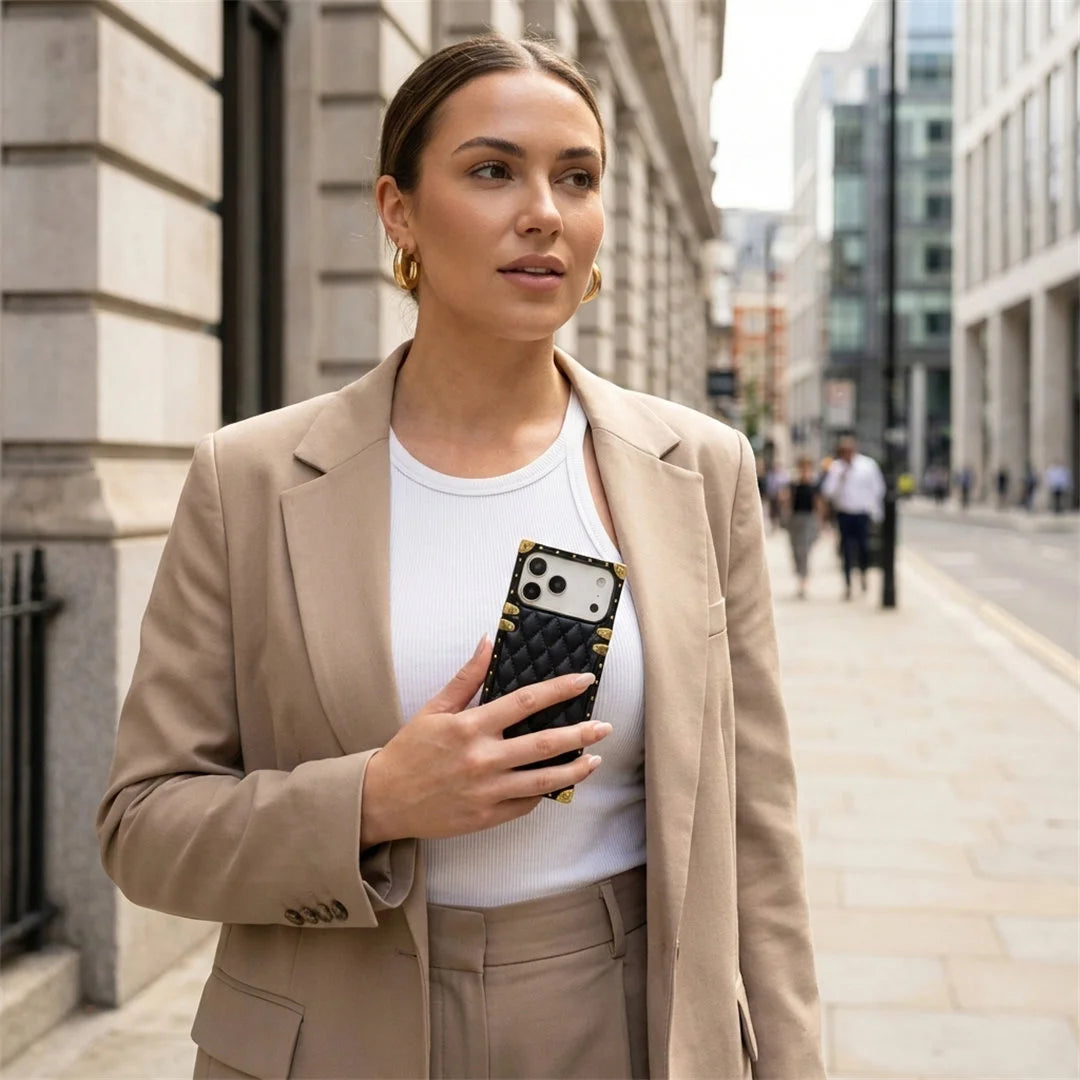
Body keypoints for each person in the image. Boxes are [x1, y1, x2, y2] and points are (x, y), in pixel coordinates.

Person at [95, 33, 824, 1080]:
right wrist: (374, 801)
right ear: (398, 211)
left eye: (577, 178)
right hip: (334, 1032)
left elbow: (758, 835)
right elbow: (142, 827)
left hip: (616, 1018)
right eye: (493, 171)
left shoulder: (699, 469)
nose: (545, 212)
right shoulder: (248, 478)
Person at [821, 434, 885, 601]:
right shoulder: (837, 468)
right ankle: (848, 584)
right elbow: (827, 491)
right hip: (844, 514)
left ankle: (863, 574)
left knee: (863, 547)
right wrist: (840, 478)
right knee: (846, 551)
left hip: (862, 513)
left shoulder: (867, 466)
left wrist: (876, 511)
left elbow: (877, 488)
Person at [781, 456, 822, 599]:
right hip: (795, 519)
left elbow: (818, 504)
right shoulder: (793, 485)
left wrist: (820, 523)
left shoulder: (814, 485)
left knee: (805, 550)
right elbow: (788, 502)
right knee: (796, 550)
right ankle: (800, 575)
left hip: (809, 519)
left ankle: (803, 581)